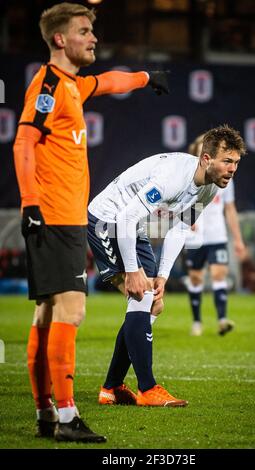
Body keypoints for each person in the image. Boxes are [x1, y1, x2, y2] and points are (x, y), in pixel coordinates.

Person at [13, 2, 169, 443]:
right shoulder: (48, 86)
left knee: (47, 315)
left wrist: (144, 78)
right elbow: (23, 141)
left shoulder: (71, 85)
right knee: (71, 311)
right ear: (60, 39)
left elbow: (107, 82)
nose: (93, 38)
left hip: (61, 217)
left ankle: (47, 414)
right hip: (55, 216)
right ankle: (66, 416)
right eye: (84, 31)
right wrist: (30, 202)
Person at [87, 125, 246, 407]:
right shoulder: (172, 178)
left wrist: (162, 274)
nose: (233, 169)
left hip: (130, 225)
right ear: (206, 159)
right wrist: (134, 271)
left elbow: (180, 228)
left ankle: (111, 387)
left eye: (236, 162)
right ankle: (147, 388)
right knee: (141, 296)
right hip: (106, 220)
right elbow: (123, 218)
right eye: (227, 161)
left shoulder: (210, 186)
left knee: (153, 303)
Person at [183, 134, 246, 336]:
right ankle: (197, 321)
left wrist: (238, 239)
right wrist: (185, 220)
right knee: (195, 279)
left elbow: (230, 209)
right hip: (195, 237)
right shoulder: (187, 174)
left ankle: (221, 319)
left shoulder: (226, 177)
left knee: (219, 274)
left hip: (217, 234)